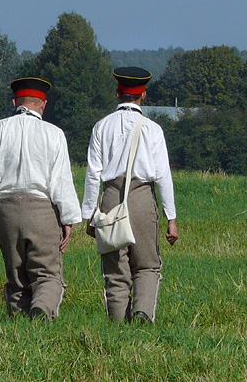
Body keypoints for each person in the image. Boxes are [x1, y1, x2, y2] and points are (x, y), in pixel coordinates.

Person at [0, 77, 81, 320]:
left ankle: (19, 328)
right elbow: (61, 181)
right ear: (43, 104)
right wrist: (68, 218)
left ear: (14, 102)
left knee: (16, 276)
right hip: (42, 209)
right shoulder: (54, 133)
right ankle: (41, 307)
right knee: (48, 275)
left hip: (7, 209)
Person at [82, 67, 179, 323]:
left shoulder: (101, 126)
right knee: (147, 264)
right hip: (143, 199)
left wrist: (89, 215)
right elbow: (163, 177)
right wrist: (171, 218)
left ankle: (117, 324)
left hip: (111, 198)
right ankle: (143, 313)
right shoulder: (153, 129)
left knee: (115, 269)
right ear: (143, 95)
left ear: (117, 92)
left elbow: (93, 174)